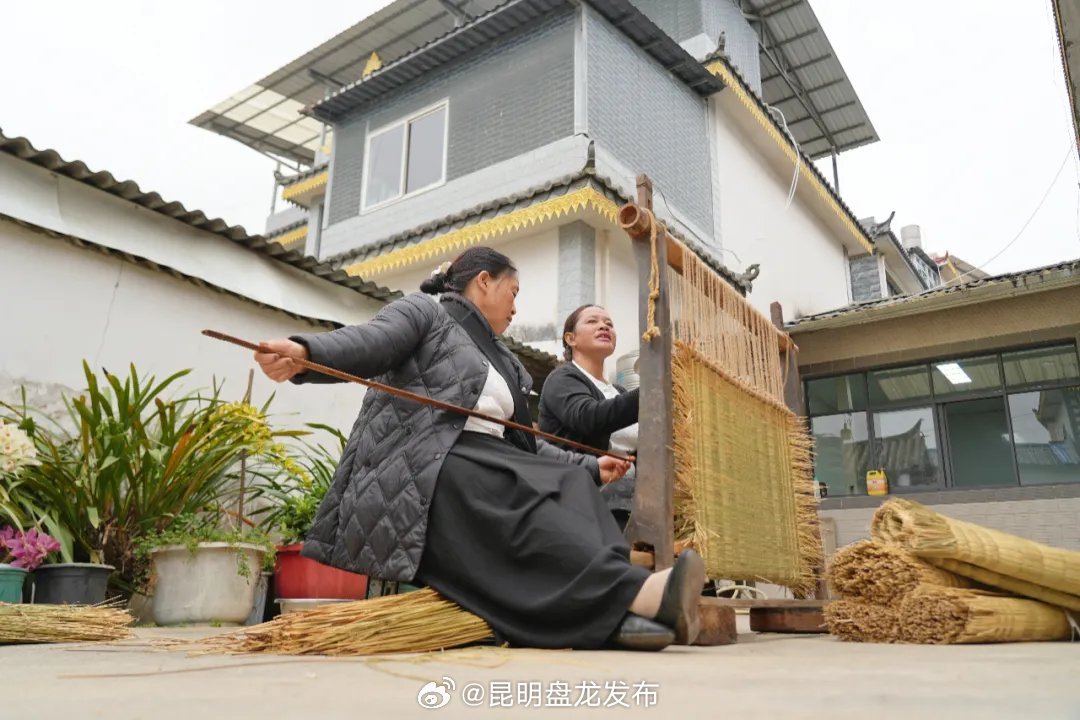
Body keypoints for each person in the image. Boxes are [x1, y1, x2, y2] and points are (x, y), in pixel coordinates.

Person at [253, 246, 704, 650]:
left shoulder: (506, 361)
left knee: (570, 485)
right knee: (502, 486)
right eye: (513, 290)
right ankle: (638, 596)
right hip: (429, 463)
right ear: (483, 282)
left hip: (489, 457)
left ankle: (615, 609)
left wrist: (588, 465)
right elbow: (370, 342)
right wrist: (305, 351)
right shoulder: (425, 313)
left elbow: (522, 445)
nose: (515, 304)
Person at [539, 305, 639, 531]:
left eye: (609, 324)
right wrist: (650, 391)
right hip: (580, 498)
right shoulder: (562, 379)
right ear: (570, 338)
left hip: (627, 497)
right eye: (592, 321)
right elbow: (588, 417)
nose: (604, 326)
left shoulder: (618, 392)